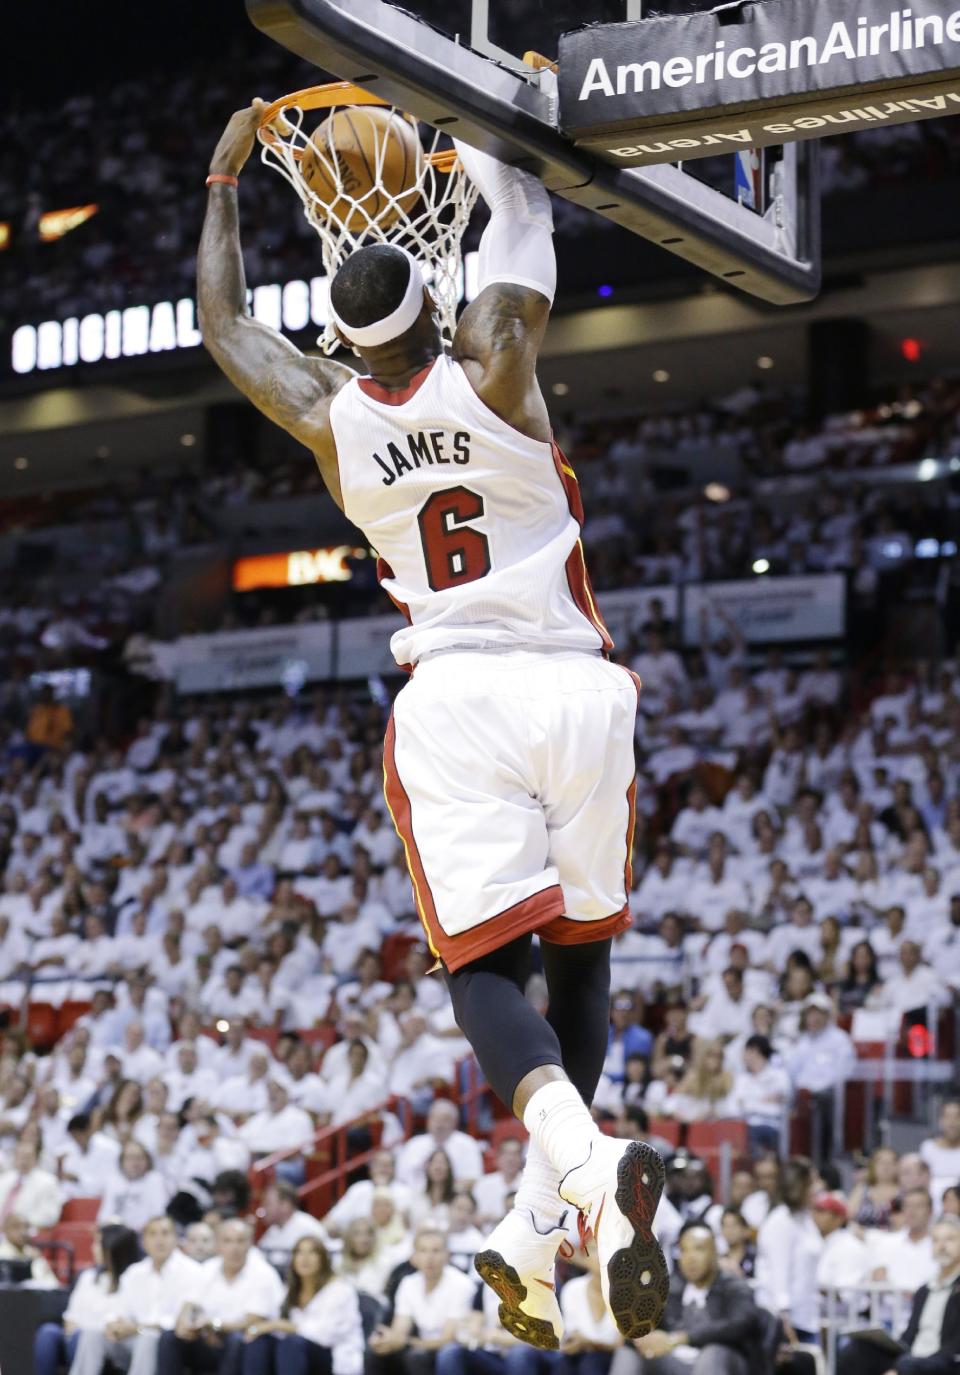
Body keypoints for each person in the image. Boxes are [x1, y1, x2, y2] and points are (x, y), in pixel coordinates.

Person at [200, 103, 666, 1348]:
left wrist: (224, 185)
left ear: (352, 348)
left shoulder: (334, 419)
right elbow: (525, 224)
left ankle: (579, 1170)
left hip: (458, 699)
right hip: (578, 686)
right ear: (432, 309)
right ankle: (539, 1229)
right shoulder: (500, 362)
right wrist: (501, 132)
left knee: (481, 974)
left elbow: (227, 325)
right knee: (580, 959)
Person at [608, 1221, 761, 1375]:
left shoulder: (734, 1286)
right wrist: (644, 1339)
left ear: (715, 1253)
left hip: (722, 1361)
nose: (690, 1258)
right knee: (627, 1353)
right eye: (684, 1250)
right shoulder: (670, 1287)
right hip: (676, 1360)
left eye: (699, 1249)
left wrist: (681, 1338)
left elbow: (740, 1324)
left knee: (712, 1354)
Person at [68, 1215, 201, 1375]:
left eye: (165, 1233)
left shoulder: (192, 1271)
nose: (159, 1240)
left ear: (176, 1239)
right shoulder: (133, 1273)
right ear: (143, 1241)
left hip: (167, 1342)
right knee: (92, 1334)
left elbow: (180, 1323)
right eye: (153, 1234)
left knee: (148, 1337)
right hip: (132, 1339)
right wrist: (115, 1324)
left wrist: (139, 1328)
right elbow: (120, 1311)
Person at [158, 1219, 284, 1375]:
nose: (234, 1248)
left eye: (240, 1241)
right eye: (228, 1241)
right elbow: (190, 1303)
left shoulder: (263, 1273)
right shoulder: (208, 1269)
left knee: (236, 1340)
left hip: (247, 1343)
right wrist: (185, 1321)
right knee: (170, 1337)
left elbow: (253, 1321)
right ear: (218, 1245)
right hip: (208, 1338)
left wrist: (214, 1325)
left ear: (250, 1244)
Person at [837, 1215, 960, 1375]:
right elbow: (909, 1335)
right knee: (857, 1350)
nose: (942, 1246)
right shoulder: (924, 1290)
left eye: (950, 1239)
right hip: (912, 1358)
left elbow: (955, 1344)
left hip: (944, 1362)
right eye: (936, 1240)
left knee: (907, 1365)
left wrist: (909, 1364)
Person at [243, 1236, 364, 1375]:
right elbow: (277, 1325)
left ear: (323, 1259)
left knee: (292, 1343)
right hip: (296, 1354)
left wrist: (280, 1325)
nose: (304, 1258)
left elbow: (325, 1336)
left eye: (312, 1252)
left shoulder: (340, 1289)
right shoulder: (291, 1289)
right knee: (260, 1342)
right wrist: (265, 1328)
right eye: (299, 1253)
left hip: (333, 1356)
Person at [366, 1225, 477, 1375]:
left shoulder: (462, 1284)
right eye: (423, 1251)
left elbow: (449, 1338)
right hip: (420, 1346)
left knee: (417, 1356)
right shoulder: (408, 1283)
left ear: (447, 1256)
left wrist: (406, 1341)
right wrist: (387, 1340)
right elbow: (400, 1329)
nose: (429, 1258)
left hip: (454, 1351)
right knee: (374, 1353)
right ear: (414, 1258)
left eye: (436, 1251)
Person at [34, 1226, 141, 1375]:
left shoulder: (133, 1279)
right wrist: (73, 1326)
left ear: (112, 1247)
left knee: (84, 1336)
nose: (93, 1248)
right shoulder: (88, 1277)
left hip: (109, 1340)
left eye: (98, 1243)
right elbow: (70, 1317)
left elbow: (121, 1321)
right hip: (76, 1334)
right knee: (48, 1332)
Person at [755, 1158, 823, 1344]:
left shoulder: (806, 1220)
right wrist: (784, 1316)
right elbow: (779, 1271)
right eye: (813, 1183)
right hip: (782, 1321)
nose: (817, 1189)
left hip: (806, 1317)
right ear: (799, 1186)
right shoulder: (781, 1221)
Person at [97, 1139, 170, 1232]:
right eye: (130, 1158)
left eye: (139, 1158)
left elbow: (159, 1214)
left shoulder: (155, 1180)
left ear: (147, 1161)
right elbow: (104, 1216)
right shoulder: (113, 1181)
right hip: (119, 1236)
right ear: (122, 1161)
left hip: (147, 1234)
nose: (135, 1163)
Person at [257, 1181, 329, 1269]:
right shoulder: (273, 1230)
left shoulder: (308, 1228)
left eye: (268, 1203)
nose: (263, 1208)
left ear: (285, 1205)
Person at [920, 1101, 960, 1208]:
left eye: (957, 1116)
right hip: (931, 1206)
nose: (952, 1122)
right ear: (940, 1121)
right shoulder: (927, 1147)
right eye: (947, 1117)